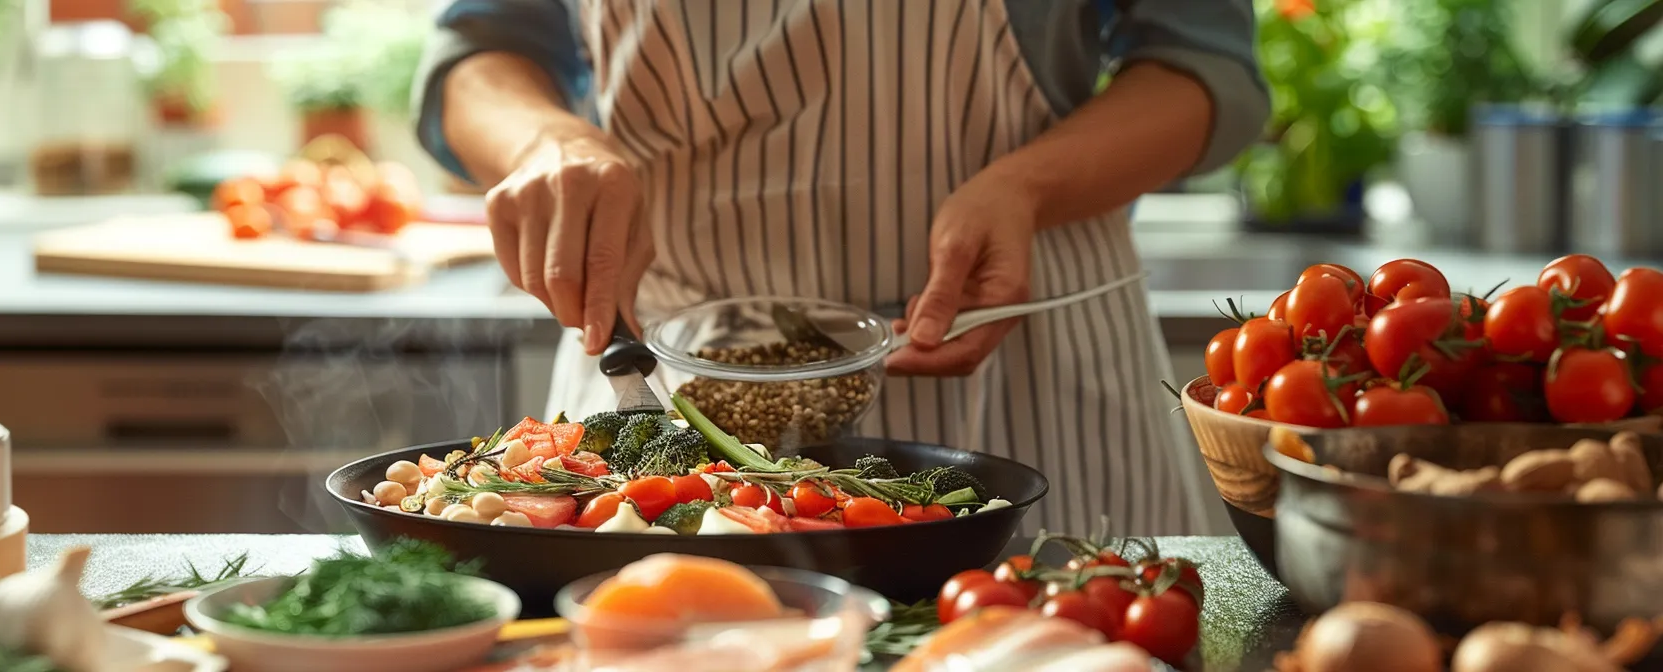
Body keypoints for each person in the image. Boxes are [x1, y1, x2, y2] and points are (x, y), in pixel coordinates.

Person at [414, 0, 1268, 535]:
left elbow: (1203, 66)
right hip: (662, 371)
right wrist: (546, 137)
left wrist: (1028, 185)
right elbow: (481, 51)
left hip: (1020, 358)